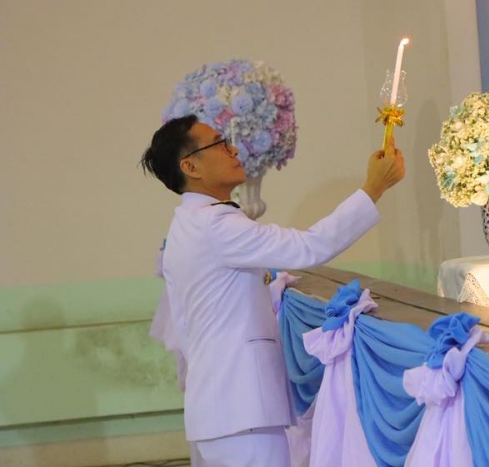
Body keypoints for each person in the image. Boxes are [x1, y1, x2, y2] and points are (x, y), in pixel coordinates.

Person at [140, 114, 405, 466]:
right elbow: (310, 247)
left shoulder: (188, 224)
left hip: (225, 408)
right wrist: (374, 188)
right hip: (241, 411)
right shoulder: (215, 225)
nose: (234, 150)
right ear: (190, 166)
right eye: (219, 143)